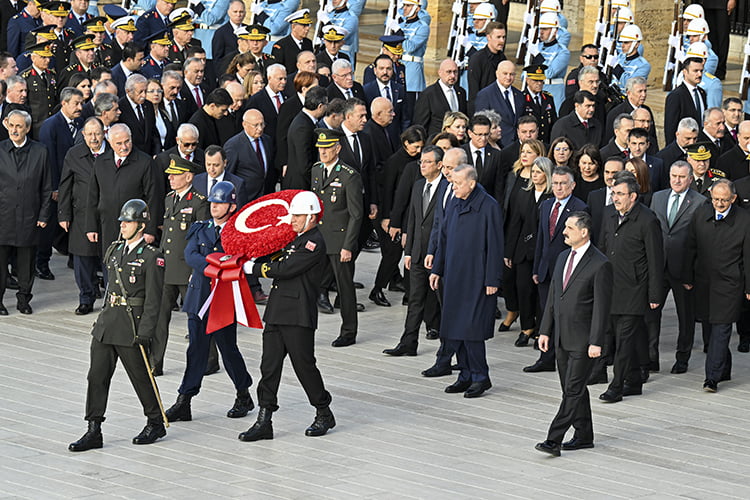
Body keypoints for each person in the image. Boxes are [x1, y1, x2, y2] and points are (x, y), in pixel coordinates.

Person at [68, 199, 166, 452]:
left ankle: (155, 421)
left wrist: (146, 332)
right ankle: (93, 428)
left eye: (128, 221)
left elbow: (154, 301)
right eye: (122, 221)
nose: (122, 225)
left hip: (131, 326)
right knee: (96, 376)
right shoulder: (114, 249)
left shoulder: (151, 257)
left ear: (141, 225)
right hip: (108, 323)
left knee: (140, 377)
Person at [239, 191, 335, 441]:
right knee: (269, 367)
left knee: (304, 366)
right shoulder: (295, 239)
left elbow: (286, 268)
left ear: (312, 217)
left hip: (297, 314)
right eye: (293, 214)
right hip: (277, 311)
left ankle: (323, 411)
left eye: (298, 215)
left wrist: (255, 268)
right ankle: (264, 419)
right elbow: (276, 256)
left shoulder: (313, 243)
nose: (292, 219)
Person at [163, 181, 257, 423]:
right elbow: (190, 255)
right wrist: (216, 266)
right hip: (199, 296)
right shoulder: (200, 227)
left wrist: (216, 264)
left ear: (232, 205)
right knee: (196, 350)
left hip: (223, 299)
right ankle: (185, 399)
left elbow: (240, 259)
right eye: (213, 202)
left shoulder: (237, 233)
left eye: (220, 202)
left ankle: (243, 393)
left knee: (228, 349)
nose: (214, 206)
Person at [534, 211, 612, 457]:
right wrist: (545, 330)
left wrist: (596, 342)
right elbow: (553, 298)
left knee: (572, 390)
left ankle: (553, 439)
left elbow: (602, 307)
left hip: (583, 341)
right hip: (560, 338)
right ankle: (584, 435)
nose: (564, 231)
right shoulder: (562, 257)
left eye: (569, 227)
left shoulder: (600, 264)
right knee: (574, 389)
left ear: (584, 232)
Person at [429, 164, 503, 398]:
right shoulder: (454, 201)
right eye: (452, 182)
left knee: (472, 330)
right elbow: (443, 237)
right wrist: (437, 269)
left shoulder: (489, 206)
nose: (453, 186)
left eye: (457, 183)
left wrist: (493, 278)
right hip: (454, 276)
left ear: (471, 183)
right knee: (454, 328)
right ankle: (465, 375)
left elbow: (495, 245)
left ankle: (481, 376)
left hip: (476, 278)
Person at [598, 171, 663, 403]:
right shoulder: (609, 216)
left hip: (635, 289)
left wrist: (655, 294)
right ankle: (634, 380)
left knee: (624, 340)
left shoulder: (648, 220)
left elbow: (656, 260)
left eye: (620, 194)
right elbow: (602, 250)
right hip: (612, 287)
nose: (615, 198)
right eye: (614, 193)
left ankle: (617, 385)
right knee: (625, 337)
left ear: (633, 196)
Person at [684, 179, 750, 392]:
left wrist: (749, 287)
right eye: (715, 199)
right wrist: (687, 277)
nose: (719, 204)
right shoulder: (701, 214)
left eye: (724, 200)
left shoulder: (745, 220)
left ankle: (711, 378)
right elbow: (690, 246)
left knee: (722, 327)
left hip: (730, 284)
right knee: (711, 328)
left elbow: (749, 257)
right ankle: (724, 369)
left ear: (733, 199)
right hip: (704, 283)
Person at [383, 145, 447, 356]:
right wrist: (408, 252)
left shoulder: (448, 188)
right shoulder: (419, 185)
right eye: (421, 161)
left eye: (428, 162)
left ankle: (448, 348)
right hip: (418, 253)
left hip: (438, 256)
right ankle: (408, 342)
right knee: (415, 299)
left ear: (439, 165)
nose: (423, 165)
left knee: (444, 302)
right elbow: (413, 219)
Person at [648, 159, 707, 375]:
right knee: (652, 314)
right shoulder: (658, 197)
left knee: (686, 316)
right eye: (674, 176)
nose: (677, 180)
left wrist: (692, 274)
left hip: (684, 270)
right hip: (658, 266)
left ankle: (682, 358)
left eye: (682, 177)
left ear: (690, 179)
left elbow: (701, 241)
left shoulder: (700, 202)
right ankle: (650, 358)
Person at [0, 109, 51, 314]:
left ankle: (23, 300)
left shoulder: (41, 151)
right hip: (3, 216)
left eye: (19, 126)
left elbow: (47, 187)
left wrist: (44, 215)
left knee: (26, 263)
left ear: (27, 128)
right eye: (11, 125)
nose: (14, 130)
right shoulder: (0, 150)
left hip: (29, 216)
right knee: (1, 264)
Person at [85, 123, 159, 254]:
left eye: (127, 141)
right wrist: (91, 227)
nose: (124, 147)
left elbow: (154, 198)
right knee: (109, 265)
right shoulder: (101, 162)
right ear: (109, 141)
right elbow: (93, 196)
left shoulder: (145, 162)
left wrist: (150, 230)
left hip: (135, 228)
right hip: (107, 226)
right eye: (119, 143)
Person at [58, 116, 107, 314]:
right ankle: (86, 298)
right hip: (81, 214)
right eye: (89, 134)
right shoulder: (74, 154)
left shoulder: (113, 153)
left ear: (105, 133)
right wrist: (63, 214)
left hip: (107, 215)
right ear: (83, 135)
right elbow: (65, 185)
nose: (94, 138)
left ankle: (110, 300)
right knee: (82, 258)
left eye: (97, 133)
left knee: (107, 257)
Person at [504, 157, 553, 349]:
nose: (535, 175)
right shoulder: (524, 194)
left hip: (543, 251)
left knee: (541, 292)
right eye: (533, 171)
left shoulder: (551, 197)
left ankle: (541, 329)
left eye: (539, 171)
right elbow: (515, 223)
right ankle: (526, 327)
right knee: (523, 289)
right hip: (523, 250)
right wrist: (509, 251)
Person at [225, 108, 275, 203]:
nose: (260, 129)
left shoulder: (267, 140)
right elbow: (229, 174)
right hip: (245, 198)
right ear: (244, 125)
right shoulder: (234, 145)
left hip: (266, 196)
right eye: (255, 125)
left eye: (262, 124)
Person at [474, 60, 524, 148]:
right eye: (505, 73)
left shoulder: (519, 95)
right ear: (497, 74)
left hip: (517, 146)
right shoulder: (485, 94)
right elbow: (480, 123)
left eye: (512, 74)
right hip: (496, 146)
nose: (508, 77)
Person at [412, 59, 466, 138]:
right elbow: (420, 125)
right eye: (449, 72)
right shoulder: (428, 94)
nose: (453, 76)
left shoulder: (461, 92)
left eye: (455, 72)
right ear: (440, 73)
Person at [664, 56, 706, 145]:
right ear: (685, 72)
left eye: (701, 71)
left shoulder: (702, 93)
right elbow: (670, 128)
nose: (699, 74)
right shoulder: (676, 96)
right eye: (695, 71)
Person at [466, 21, 506, 107]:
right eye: (498, 37)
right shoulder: (477, 59)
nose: (502, 41)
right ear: (488, 37)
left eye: (503, 37)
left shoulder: (503, 58)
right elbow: (473, 92)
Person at [521, 64, 557, 144]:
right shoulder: (521, 98)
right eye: (535, 80)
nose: (539, 83)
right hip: (530, 143)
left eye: (541, 81)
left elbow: (553, 121)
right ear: (527, 80)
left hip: (546, 143)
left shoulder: (548, 98)